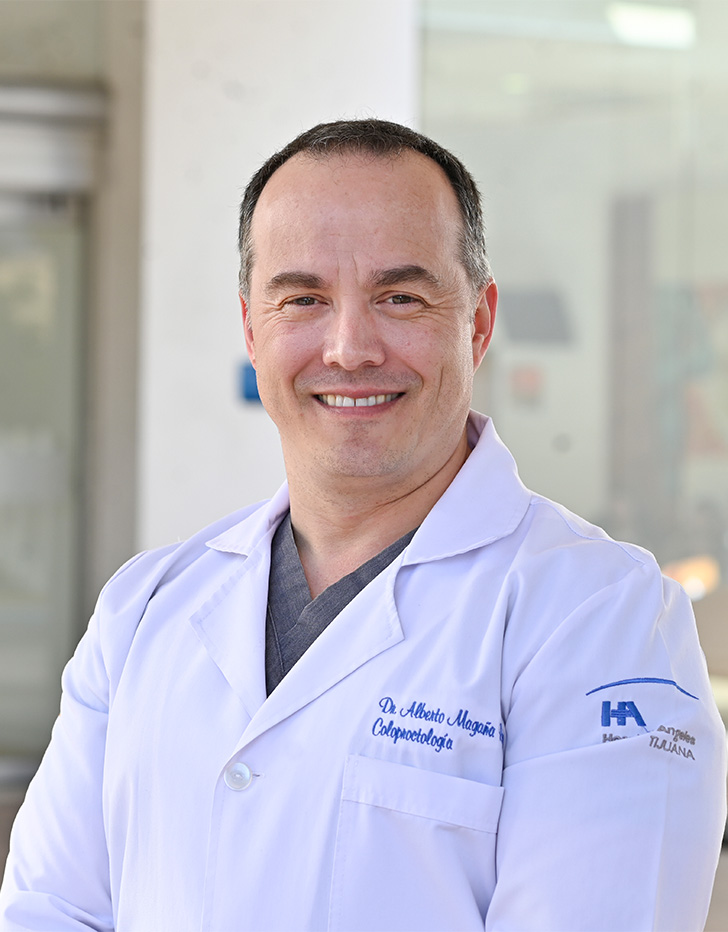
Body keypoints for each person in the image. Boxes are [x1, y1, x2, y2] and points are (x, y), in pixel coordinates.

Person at [0, 119, 725, 932]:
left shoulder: (601, 621)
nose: (348, 348)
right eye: (303, 299)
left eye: (400, 297)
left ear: (478, 323)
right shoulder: (144, 609)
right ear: (252, 329)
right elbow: (49, 910)